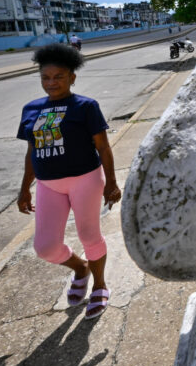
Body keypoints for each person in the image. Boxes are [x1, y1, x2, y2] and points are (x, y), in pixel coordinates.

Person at [16, 43, 121, 320]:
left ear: (72, 77)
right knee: (46, 247)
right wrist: (24, 188)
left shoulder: (85, 106)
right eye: (46, 77)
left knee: (89, 235)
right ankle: (80, 269)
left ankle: (99, 285)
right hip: (48, 184)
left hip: (84, 179)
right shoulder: (31, 109)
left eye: (58, 77)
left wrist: (111, 182)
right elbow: (32, 150)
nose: (51, 83)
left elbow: (103, 147)